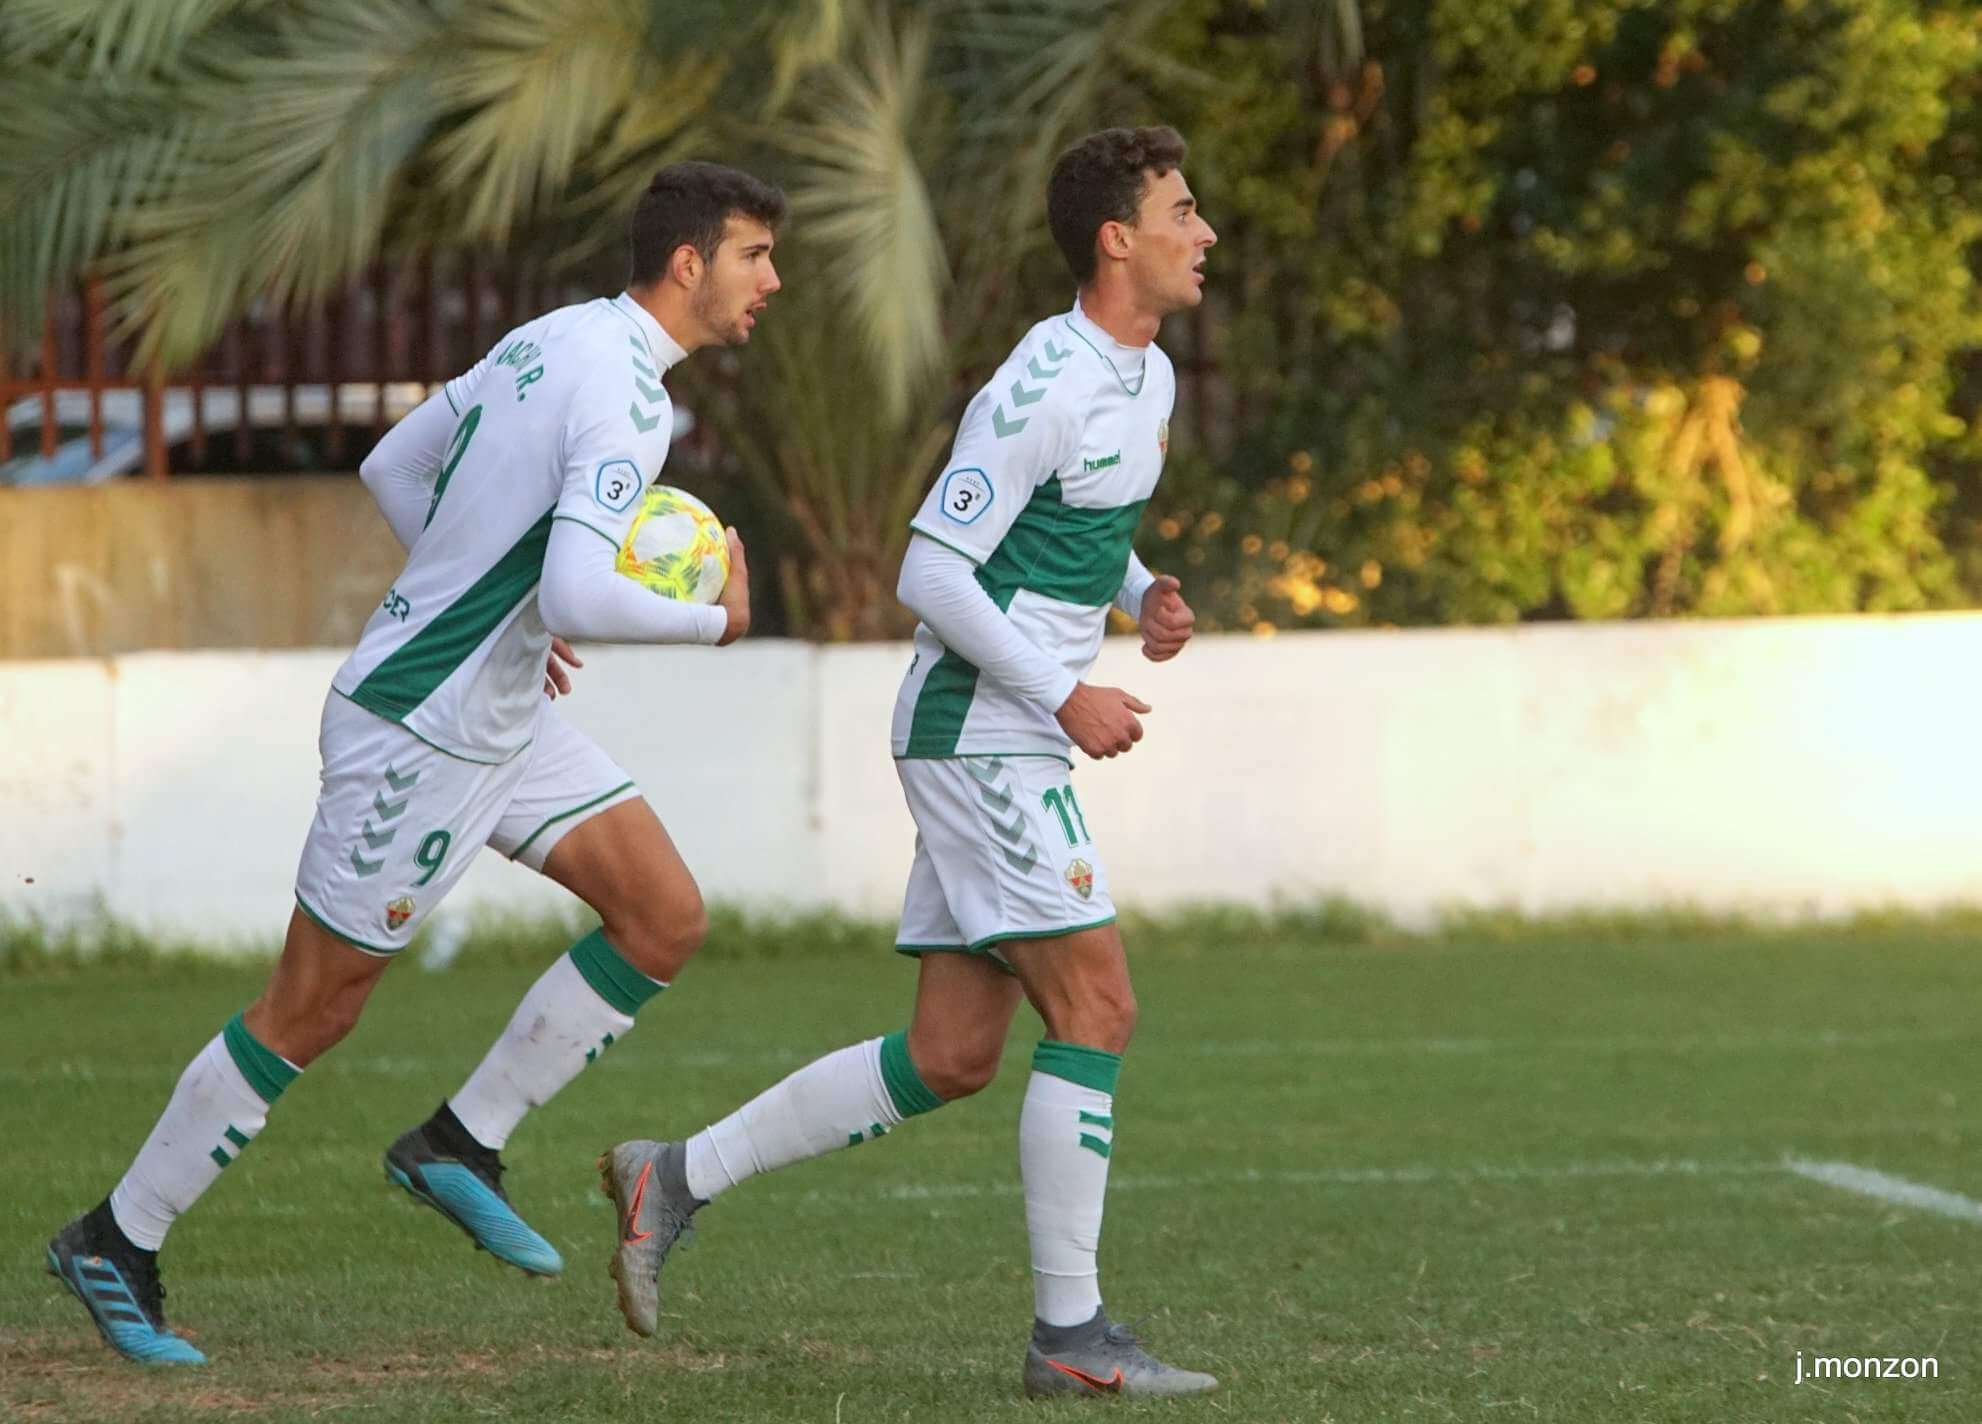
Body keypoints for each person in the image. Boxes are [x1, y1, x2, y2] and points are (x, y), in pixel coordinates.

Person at [44, 160, 784, 1367]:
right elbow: (573, 587)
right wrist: (717, 621)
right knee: (313, 1004)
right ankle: (114, 1238)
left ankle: (457, 1142)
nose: (771, 280)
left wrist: (492, 617)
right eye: (755, 254)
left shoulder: (553, 338)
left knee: (661, 913)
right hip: (420, 728)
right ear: (689, 262)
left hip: (493, 706)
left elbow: (392, 463)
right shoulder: (628, 396)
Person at [596, 126, 1217, 1400]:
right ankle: (1069, 1335)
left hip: (1006, 724)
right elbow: (928, 570)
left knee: (948, 1054)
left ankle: (676, 1172)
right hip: (977, 724)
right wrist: (1062, 687)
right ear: (1116, 239)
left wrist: (1143, 592)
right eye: (1182, 211)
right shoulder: (1038, 380)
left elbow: (1070, 534)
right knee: (1095, 1007)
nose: (1203, 234)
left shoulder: (1143, 377)